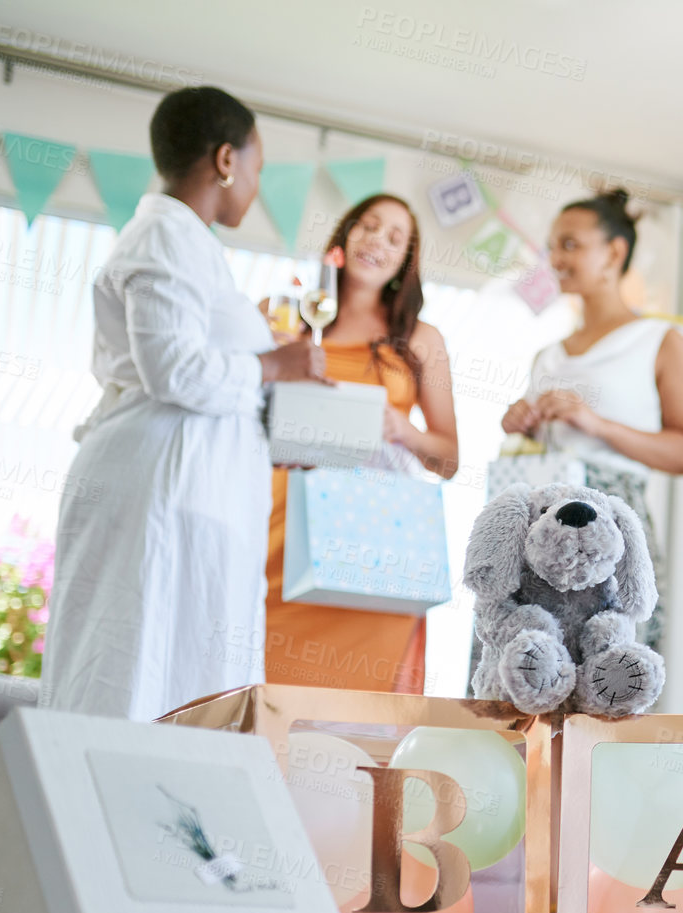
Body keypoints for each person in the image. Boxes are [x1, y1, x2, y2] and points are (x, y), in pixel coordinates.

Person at [41, 87, 326, 721]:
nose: (255, 182)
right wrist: (273, 364)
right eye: (256, 165)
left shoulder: (190, 243)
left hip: (190, 492)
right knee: (137, 665)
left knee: (176, 670)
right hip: (160, 490)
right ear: (226, 159)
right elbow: (173, 367)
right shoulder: (164, 234)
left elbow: (202, 368)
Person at [261, 194, 458, 692]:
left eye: (396, 237)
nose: (378, 240)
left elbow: (449, 459)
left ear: (405, 262)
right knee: (261, 696)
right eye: (368, 226)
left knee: (354, 720)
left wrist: (402, 429)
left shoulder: (420, 339)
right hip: (276, 531)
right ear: (344, 237)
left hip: (369, 541)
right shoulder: (283, 313)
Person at [499, 188, 683, 649]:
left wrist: (596, 423)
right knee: (534, 667)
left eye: (570, 244)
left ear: (614, 252)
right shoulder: (546, 355)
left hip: (616, 524)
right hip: (542, 528)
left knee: (610, 673)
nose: (555, 257)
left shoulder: (660, 340)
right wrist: (522, 424)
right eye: (552, 246)